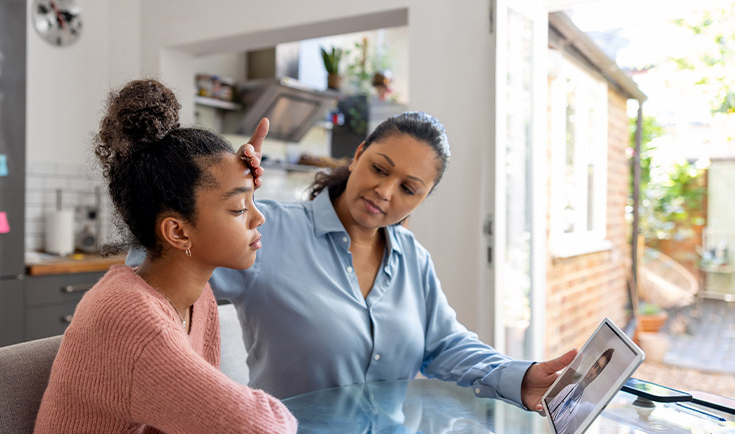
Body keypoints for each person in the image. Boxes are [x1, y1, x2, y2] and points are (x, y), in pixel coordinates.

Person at [128, 111, 575, 410]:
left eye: (409, 187)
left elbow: (444, 345)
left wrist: (521, 377)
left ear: (421, 200)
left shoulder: (413, 260)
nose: (385, 192)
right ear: (358, 155)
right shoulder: (269, 231)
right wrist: (218, 195)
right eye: (380, 169)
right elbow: (149, 272)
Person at [19, 79, 297, 434]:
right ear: (178, 231)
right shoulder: (129, 320)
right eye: (239, 208)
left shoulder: (195, 295)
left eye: (251, 202)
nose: (259, 217)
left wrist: (231, 182)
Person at [547, 348, 614, 434]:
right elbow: (549, 409)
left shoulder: (586, 406)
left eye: (598, 370)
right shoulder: (568, 388)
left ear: (599, 375)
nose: (593, 372)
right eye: (595, 366)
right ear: (591, 366)